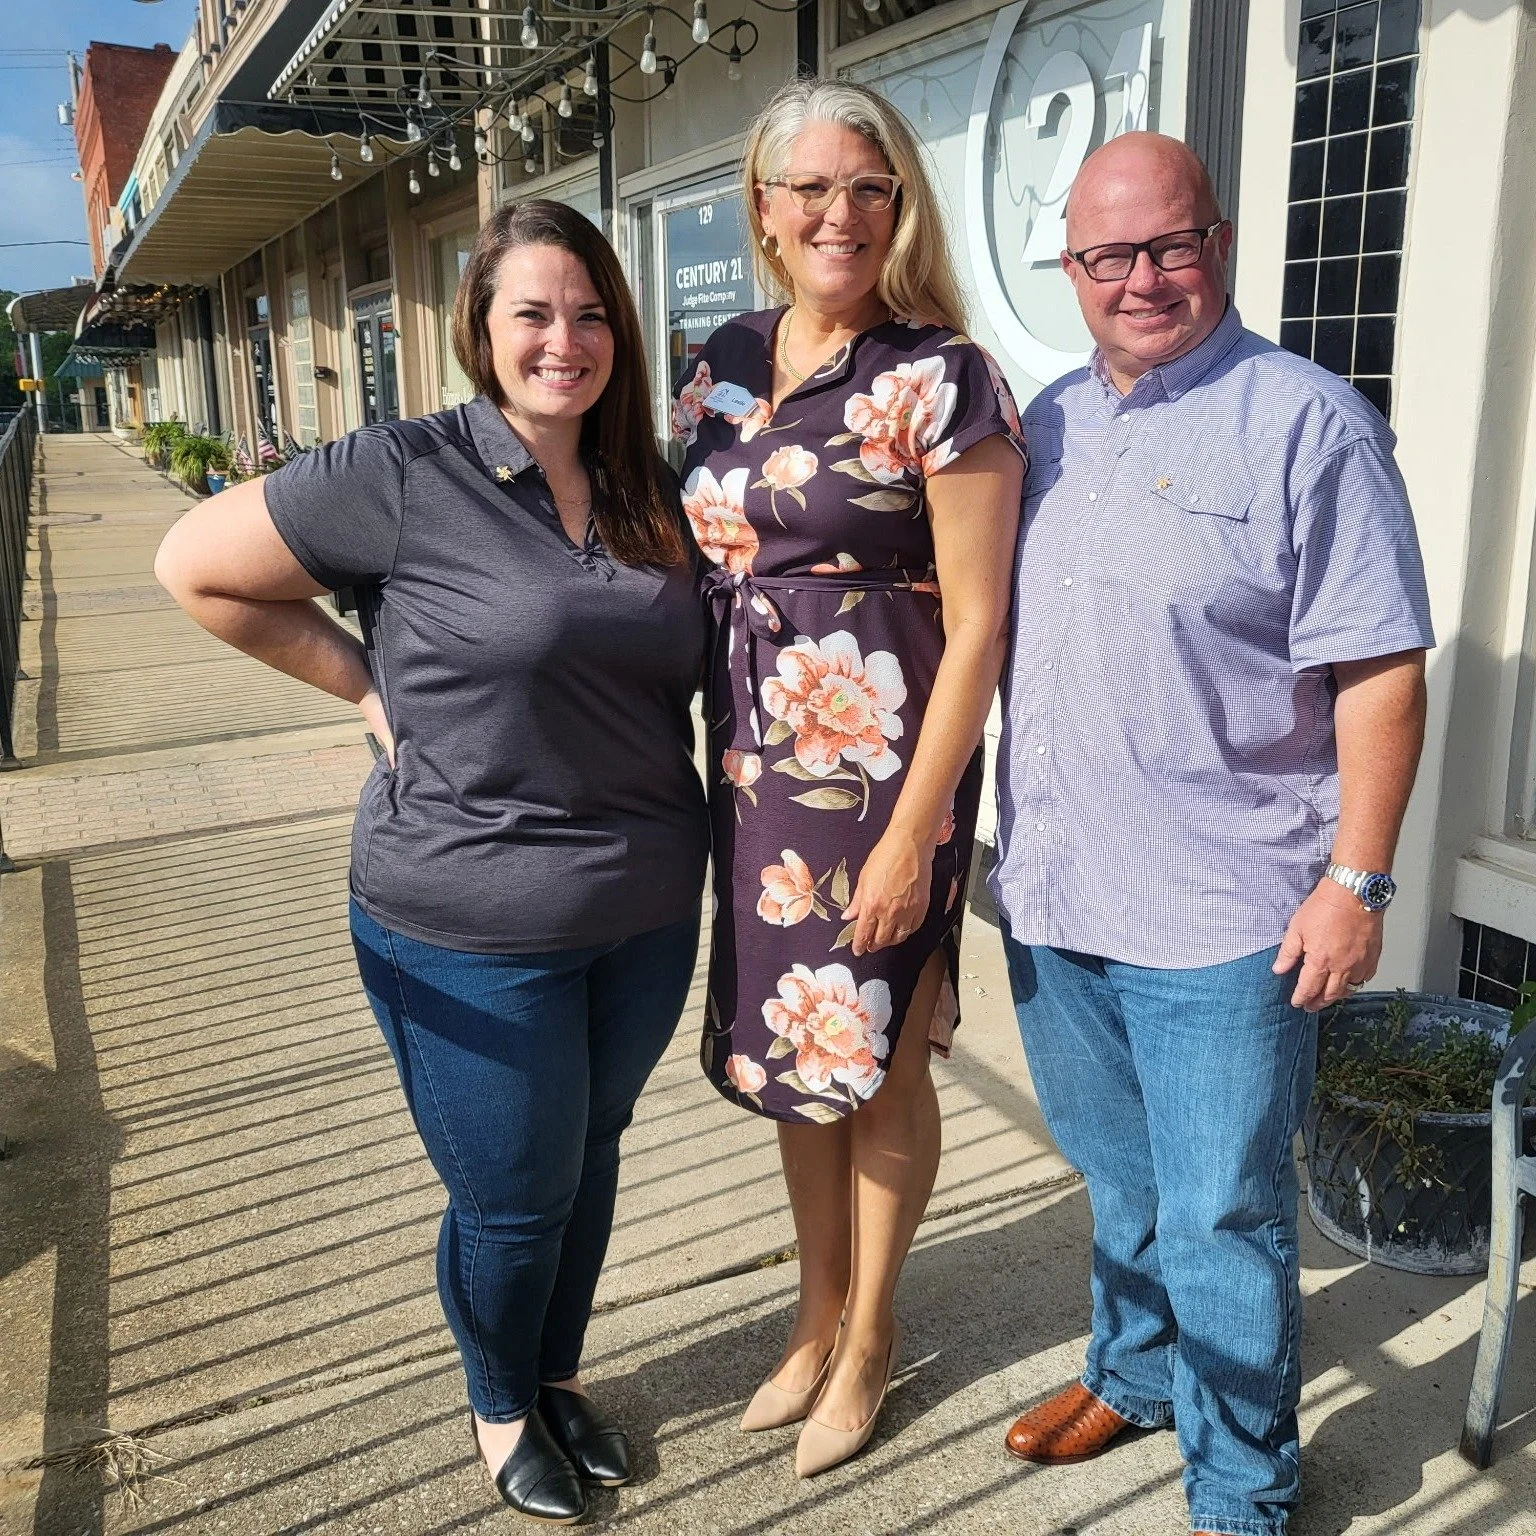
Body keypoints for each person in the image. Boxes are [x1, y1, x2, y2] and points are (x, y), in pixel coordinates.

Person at [155, 200, 708, 1527]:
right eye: (532, 312)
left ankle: (556, 1372)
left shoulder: (652, 484)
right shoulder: (405, 470)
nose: (563, 341)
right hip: (467, 914)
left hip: (641, 910)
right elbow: (197, 567)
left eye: (588, 315)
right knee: (514, 1195)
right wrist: (357, 684)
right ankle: (500, 1403)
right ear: (479, 326)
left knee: (595, 1152)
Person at [992, 132, 1433, 1536]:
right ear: (1071, 269)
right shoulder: (1046, 425)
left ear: (1220, 245)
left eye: (1169, 245)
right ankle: (1134, 1375)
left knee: (1222, 1218)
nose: (1142, 278)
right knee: (1118, 1177)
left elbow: (1379, 668)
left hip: (1221, 913)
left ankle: (1244, 1488)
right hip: (1057, 895)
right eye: (1108, 256)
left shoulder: (1308, 423)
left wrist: (1355, 880)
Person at [673, 76, 1025, 1478]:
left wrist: (916, 835)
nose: (839, 212)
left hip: (889, 775)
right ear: (762, 209)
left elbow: (983, 620)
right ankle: (812, 1320)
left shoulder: (941, 376)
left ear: (900, 207)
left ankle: (873, 1334)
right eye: (809, 187)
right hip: (757, 776)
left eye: (867, 188)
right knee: (794, 1057)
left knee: (875, 1065)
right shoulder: (722, 361)